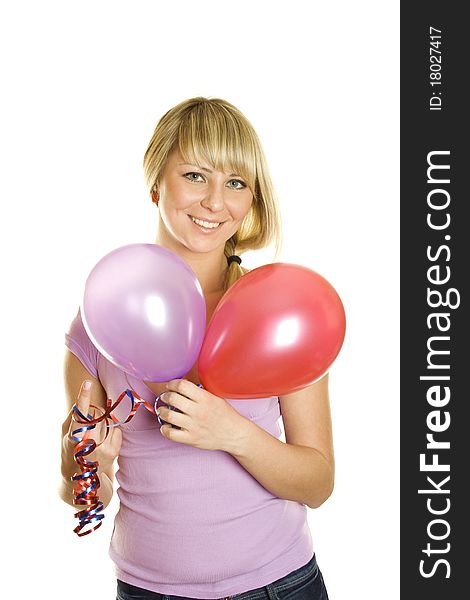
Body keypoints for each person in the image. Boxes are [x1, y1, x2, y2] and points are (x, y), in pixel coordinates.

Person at [60, 97, 333, 600]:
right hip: (149, 591)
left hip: (280, 586)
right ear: (155, 183)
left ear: (252, 199)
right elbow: (86, 497)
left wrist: (233, 433)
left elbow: (317, 484)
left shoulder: (281, 319)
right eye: (195, 175)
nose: (214, 202)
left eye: (236, 183)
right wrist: (80, 463)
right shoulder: (100, 322)